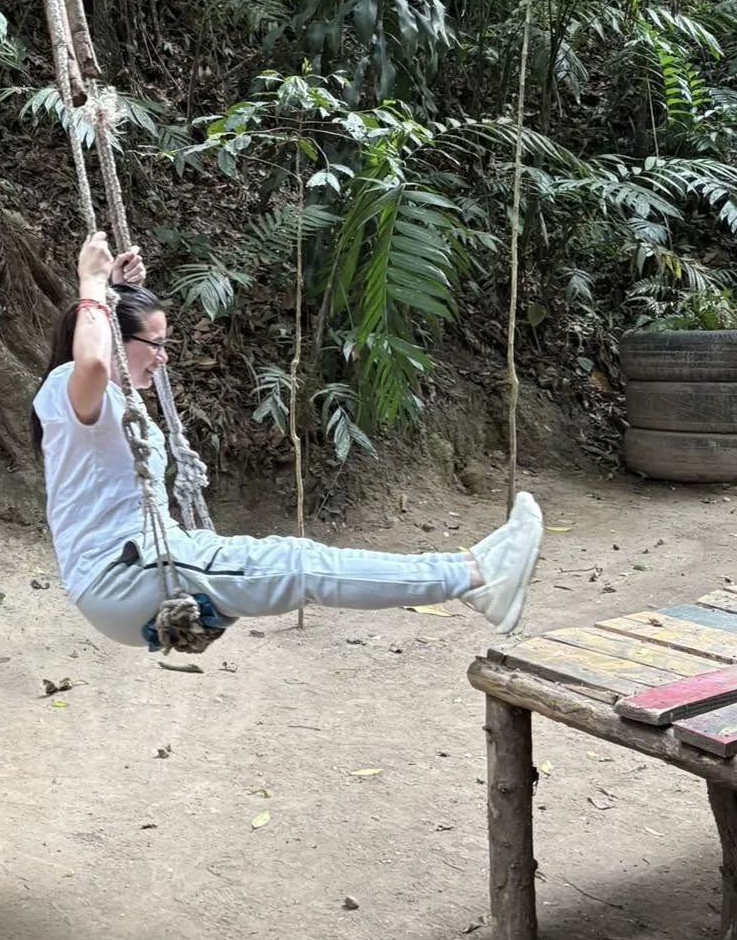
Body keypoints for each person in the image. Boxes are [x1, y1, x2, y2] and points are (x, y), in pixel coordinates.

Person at [32, 230, 544, 650]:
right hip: (126, 578)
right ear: (120, 339)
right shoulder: (70, 390)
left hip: (140, 569)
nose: (164, 358)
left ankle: (474, 575)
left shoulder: (103, 402)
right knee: (304, 564)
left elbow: (108, 350)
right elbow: (96, 358)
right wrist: (91, 283)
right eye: (157, 345)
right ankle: (475, 576)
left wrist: (114, 288)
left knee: (296, 560)